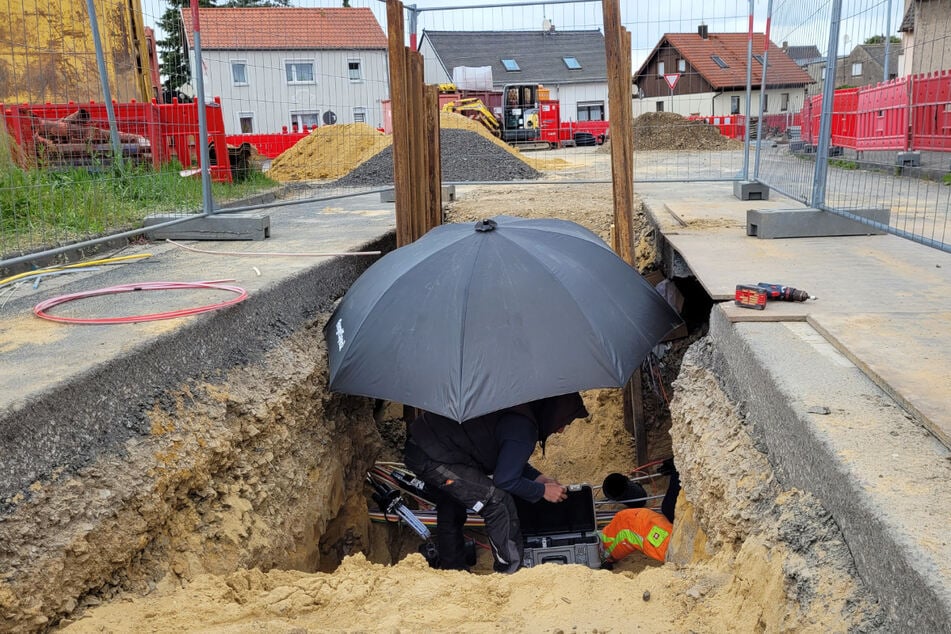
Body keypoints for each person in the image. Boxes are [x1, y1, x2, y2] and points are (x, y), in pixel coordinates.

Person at [403, 392, 589, 573]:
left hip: (427, 445)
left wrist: (538, 478)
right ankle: (510, 570)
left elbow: (506, 460)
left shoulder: (519, 410)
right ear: (552, 413)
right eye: (564, 422)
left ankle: (453, 571)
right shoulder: (524, 427)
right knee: (496, 501)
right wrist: (542, 491)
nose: (561, 429)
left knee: (453, 502)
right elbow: (505, 480)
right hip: (431, 454)